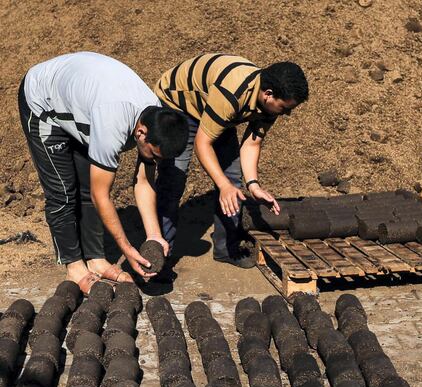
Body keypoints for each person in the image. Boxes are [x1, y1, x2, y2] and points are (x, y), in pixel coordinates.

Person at [18, 52, 190, 292]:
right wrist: (127, 250)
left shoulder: (157, 118)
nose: (155, 160)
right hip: (43, 102)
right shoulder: (113, 123)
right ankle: (74, 266)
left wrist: (153, 235)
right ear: (140, 133)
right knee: (63, 192)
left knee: (88, 187)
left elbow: (143, 181)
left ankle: (96, 260)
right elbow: (103, 195)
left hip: (83, 104)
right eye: (154, 154)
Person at [153, 53, 308, 272]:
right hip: (179, 105)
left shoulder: (268, 103)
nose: (288, 114)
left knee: (233, 178)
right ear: (268, 94)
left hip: (214, 109)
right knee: (174, 180)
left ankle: (226, 249)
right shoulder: (233, 93)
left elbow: (252, 144)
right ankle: (160, 256)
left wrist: (253, 185)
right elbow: (202, 144)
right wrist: (222, 184)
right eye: (285, 108)